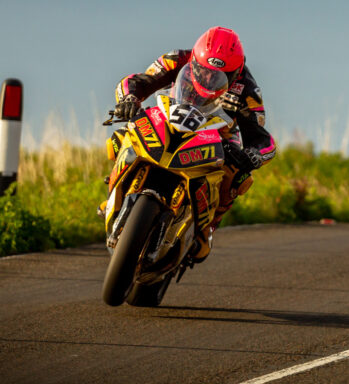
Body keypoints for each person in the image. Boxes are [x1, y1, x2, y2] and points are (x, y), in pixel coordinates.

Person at [111, 26, 276, 263]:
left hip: (217, 132)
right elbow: (138, 81)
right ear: (196, 59)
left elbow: (262, 138)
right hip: (171, 114)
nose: (210, 79)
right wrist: (129, 99)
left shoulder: (248, 89)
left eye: (220, 76)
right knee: (122, 135)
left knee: (236, 176)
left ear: (236, 71)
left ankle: (206, 228)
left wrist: (252, 155)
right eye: (204, 71)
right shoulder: (176, 59)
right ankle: (115, 192)